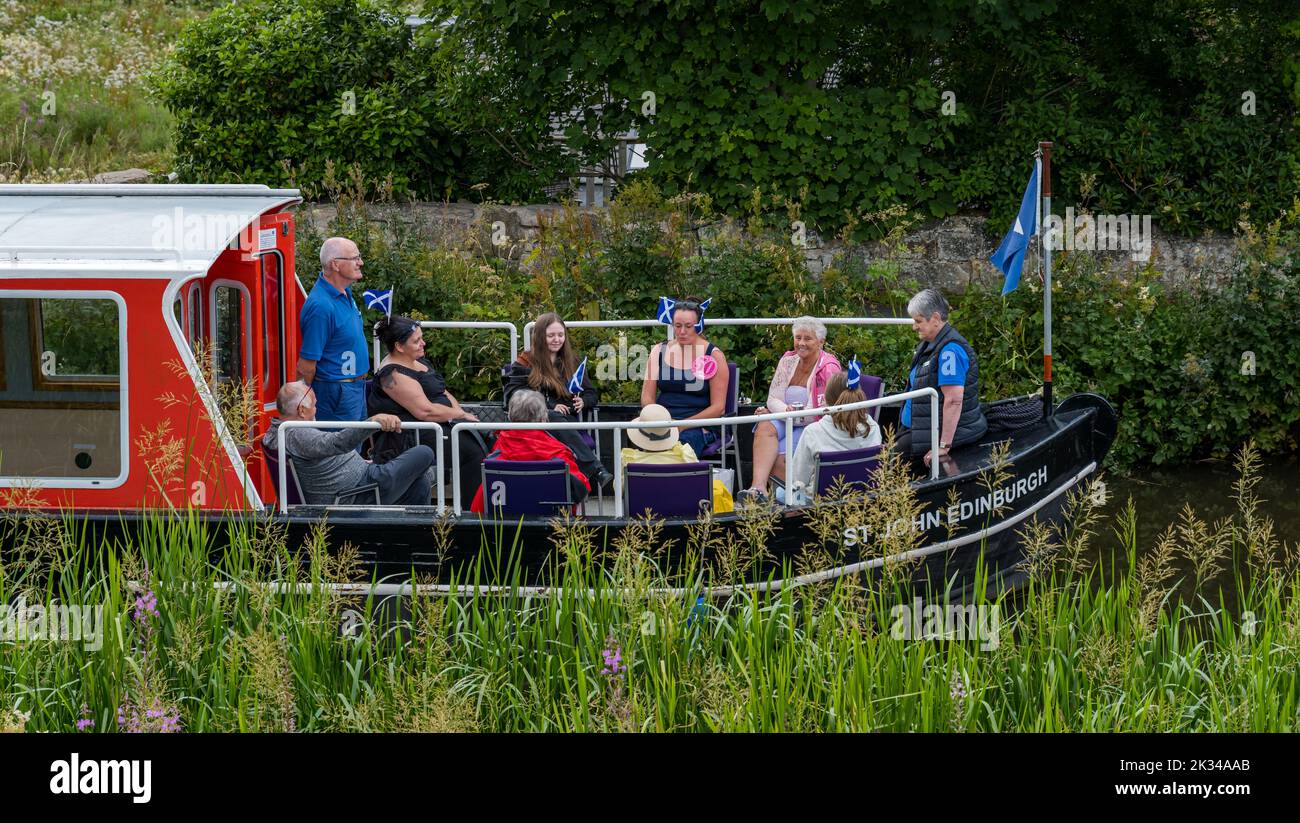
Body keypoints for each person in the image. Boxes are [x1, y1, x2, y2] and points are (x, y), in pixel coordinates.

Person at [366, 315, 489, 508]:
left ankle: (483, 506)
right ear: (399, 346)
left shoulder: (418, 359)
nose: (423, 343)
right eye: (416, 341)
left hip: (437, 423)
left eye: (421, 337)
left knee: (487, 439)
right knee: (472, 453)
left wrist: (459, 412)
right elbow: (425, 411)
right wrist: (460, 415)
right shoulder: (393, 374)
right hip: (409, 434)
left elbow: (442, 392)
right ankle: (471, 513)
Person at [262, 381, 434, 505]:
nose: (317, 409)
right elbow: (337, 442)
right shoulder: (297, 435)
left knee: (421, 482)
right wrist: (373, 422)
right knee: (424, 453)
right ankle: (438, 473)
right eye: (314, 405)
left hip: (361, 480)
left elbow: (322, 450)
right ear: (301, 410)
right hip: (357, 492)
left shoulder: (276, 432)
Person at [502, 312, 613, 491]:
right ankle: (596, 469)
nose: (556, 339)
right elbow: (513, 395)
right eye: (551, 335)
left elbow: (592, 394)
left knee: (560, 418)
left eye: (560, 335)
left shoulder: (572, 361)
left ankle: (590, 475)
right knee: (553, 415)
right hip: (534, 422)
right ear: (539, 337)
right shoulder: (525, 362)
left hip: (567, 422)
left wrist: (583, 402)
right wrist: (549, 406)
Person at [741, 316, 842, 500]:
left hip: (810, 424)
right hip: (785, 417)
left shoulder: (829, 368)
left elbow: (820, 412)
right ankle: (758, 489)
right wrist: (784, 412)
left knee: (779, 458)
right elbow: (773, 398)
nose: (801, 343)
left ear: (821, 342)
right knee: (764, 426)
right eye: (798, 337)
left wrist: (788, 415)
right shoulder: (788, 360)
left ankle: (790, 501)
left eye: (807, 338)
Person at [896, 288, 987, 467]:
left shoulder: (950, 351)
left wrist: (943, 446)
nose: (914, 326)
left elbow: (953, 400)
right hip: (919, 428)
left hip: (932, 433)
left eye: (918, 321)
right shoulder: (931, 343)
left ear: (936, 319)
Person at [471, 389, 590, 513]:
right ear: (544, 417)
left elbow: (478, 507)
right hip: (553, 526)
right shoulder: (560, 455)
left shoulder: (495, 458)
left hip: (503, 526)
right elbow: (581, 489)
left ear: (510, 416)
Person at [640, 297, 729, 455]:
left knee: (678, 446)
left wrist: (682, 425)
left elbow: (718, 407)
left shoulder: (714, 356)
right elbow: (647, 397)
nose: (682, 332)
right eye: (677, 326)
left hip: (699, 424)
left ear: (698, 326)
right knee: (642, 442)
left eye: (688, 326)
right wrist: (657, 419)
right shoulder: (658, 351)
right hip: (662, 421)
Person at [779, 369, 882, 505]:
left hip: (819, 506)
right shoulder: (873, 427)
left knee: (780, 491)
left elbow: (798, 480)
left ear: (827, 399)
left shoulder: (813, 432)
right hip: (862, 500)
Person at [296, 237, 370, 422]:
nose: (360, 262)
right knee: (340, 449)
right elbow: (306, 366)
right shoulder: (321, 306)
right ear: (335, 264)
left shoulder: (344, 292)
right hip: (337, 393)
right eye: (354, 258)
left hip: (354, 388)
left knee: (355, 447)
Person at [620, 404, 732, 513]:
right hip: (685, 519)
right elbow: (699, 485)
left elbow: (619, 489)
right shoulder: (685, 455)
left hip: (641, 521)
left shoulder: (629, 460)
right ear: (669, 432)